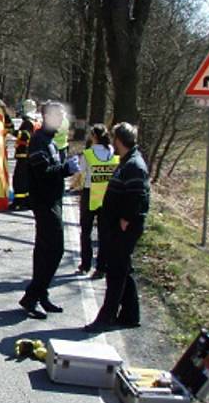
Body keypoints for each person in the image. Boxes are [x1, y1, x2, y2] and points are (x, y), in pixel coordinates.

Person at [84, 122, 150, 333]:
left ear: (119, 140)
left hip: (125, 227)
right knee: (123, 269)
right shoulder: (127, 161)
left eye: (114, 138)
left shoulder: (134, 165)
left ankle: (106, 317)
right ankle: (130, 315)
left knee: (116, 273)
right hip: (116, 224)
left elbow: (138, 196)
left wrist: (126, 218)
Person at [18, 101, 80, 319]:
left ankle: (40, 294)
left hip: (53, 200)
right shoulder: (38, 141)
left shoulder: (50, 140)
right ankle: (31, 297)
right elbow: (42, 171)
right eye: (59, 116)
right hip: (44, 202)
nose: (62, 121)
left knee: (45, 250)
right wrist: (66, 169)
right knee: (55, 250)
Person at [77, 124, 118, 278]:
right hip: (107, 196)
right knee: (104, 233)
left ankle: (85, 264)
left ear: (94, 136)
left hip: (90, 194)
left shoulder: (88, 154)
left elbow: (81, 172)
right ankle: (101, 267)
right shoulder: (113, 153)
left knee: (86, 231)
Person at [10, 99, 37, 210]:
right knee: (26, 179)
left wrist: (11, 131)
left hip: (24, 155)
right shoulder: (34, 121)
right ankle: (27, 201)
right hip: (29, 154)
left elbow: (25, 135)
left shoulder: (27, 123)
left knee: (19, 180)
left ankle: (19, 202)